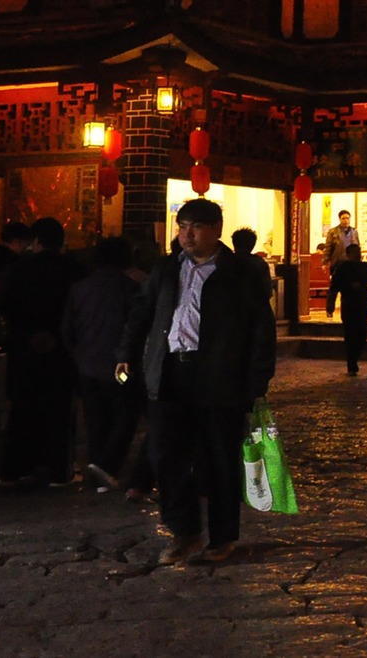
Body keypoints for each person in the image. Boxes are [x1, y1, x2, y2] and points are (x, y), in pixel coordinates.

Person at [116, 198, 276, 564]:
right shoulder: (167, 269)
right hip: (171, 373)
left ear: (216, 230)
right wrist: (125, 352)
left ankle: (222, 536)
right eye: (182, 226)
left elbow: (260, 330)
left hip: (220, 379)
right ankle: (184, 531)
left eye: (196, 227)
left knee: (219, 459)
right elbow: (142, 312)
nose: (187, 235)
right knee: (163, 454)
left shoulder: (240, 273)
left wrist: (256, 382)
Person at [0, 217, 85, 487]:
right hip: (61, 348)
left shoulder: (15, 270)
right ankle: (59, 470)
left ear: (35, 241)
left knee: (23, 408)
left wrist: (26, 335)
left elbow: (7, 309)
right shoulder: (74, 270)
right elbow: (79, 311)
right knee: (58, 409)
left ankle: (14, 469)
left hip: (24, 347)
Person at [62, 236, 141, 492]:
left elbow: (68, 329)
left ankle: (98, 470)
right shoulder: (130, 287)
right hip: (121, 366)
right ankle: (107, 467)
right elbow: (136, 327)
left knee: (96, 419)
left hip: (87, 364)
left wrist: (77, 355)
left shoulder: (80, 288)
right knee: (125, 414)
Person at [327, 244, 367, 376]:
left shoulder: (364, 266)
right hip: (349, 303)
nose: (358, 254)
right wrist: (330, 305)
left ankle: (354, 358)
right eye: (355, 252)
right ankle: (351, 362)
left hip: (362, 303)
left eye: (359, 251)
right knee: (350, 332)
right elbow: (334, 286)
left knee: (362, 333)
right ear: (349, 253)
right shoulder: (343, 268)